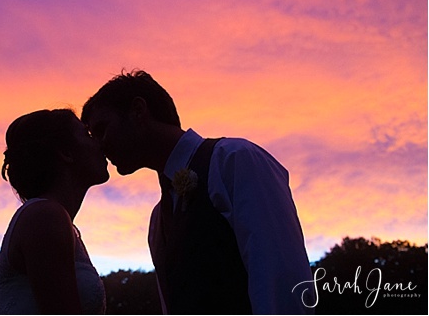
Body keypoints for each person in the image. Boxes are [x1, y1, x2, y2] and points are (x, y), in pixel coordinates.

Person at [82, 70, 315, 314]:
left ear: (138, 111)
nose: (99, 146)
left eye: (102, 130)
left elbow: (282, 277)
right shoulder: (158, 220)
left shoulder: (235, 160)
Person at [0, 108, 109, 314]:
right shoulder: (44, 216)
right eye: (87, 134)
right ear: (66, 153)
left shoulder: (54, 218)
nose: (100, 143)